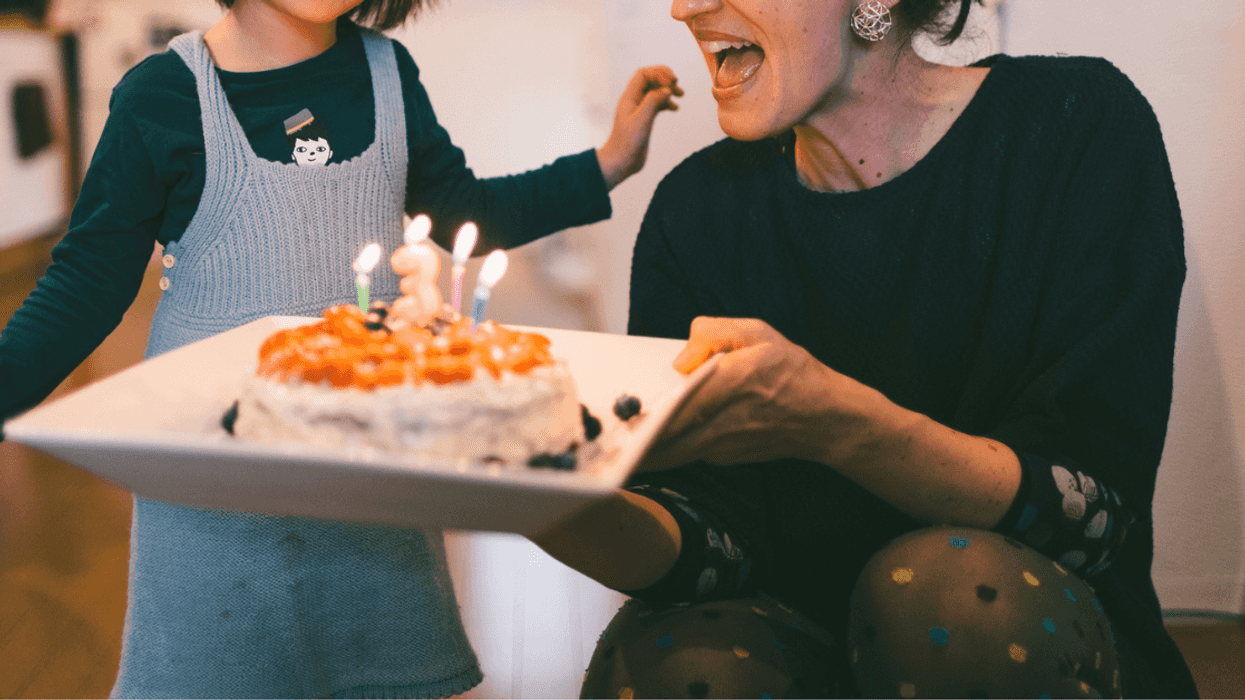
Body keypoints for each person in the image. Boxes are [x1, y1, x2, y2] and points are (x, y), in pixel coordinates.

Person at [0, 0, 682, 695]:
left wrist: (608, 161)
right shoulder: (163, 93)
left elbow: (464, 208)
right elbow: (85, 283)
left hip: (373, 478)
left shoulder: (387, 71)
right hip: (219, 491)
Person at [531, 0, 1199, 697]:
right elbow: (707, 546)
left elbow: (1091, 515)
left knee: (954, 594)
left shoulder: (1073, 125)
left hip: (1021, 631)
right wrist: (544, 494)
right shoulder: (695, 210)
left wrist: (835, 423)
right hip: (794, 641)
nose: (685, 7)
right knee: (680, 666)